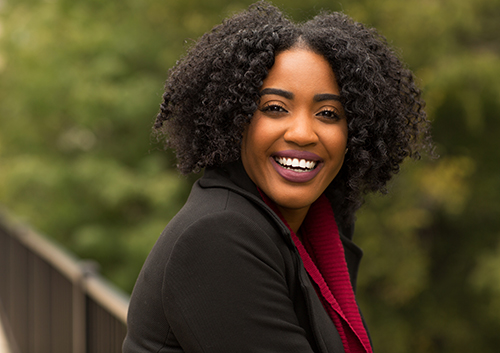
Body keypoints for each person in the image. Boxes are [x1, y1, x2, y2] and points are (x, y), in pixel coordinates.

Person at [123, 2, 433, 352]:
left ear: (356, 132)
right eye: (275, 108)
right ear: (235, 119)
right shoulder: (218, 237)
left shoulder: (312, 230)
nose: (302, 133)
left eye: (328, 113)